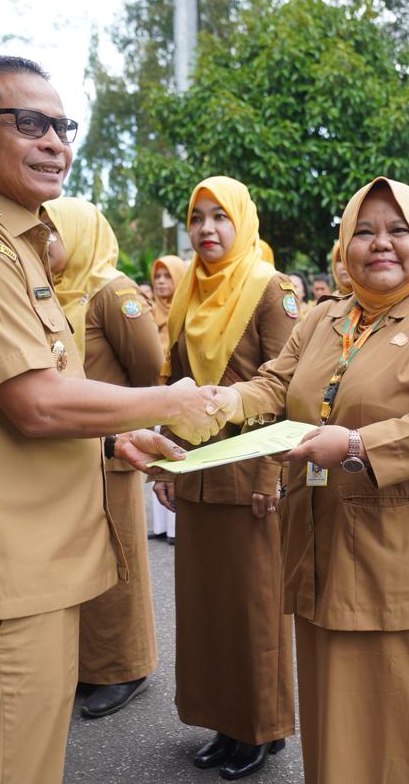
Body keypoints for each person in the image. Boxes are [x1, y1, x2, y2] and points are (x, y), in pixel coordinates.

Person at [0, 55, 225, 783]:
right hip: (1, 567)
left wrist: (114, 431)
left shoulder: (14, 240)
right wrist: (172, 399)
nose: (55, 143)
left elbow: (4, 393)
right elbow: (35, 400)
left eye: (63, 127)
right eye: (30, 123)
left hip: (28, 561)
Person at [216, 176, 409, 783]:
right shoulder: (325, 317)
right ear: (345, 244)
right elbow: (276, 385)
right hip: (332, 554)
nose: (379, 244)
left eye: (397, 231)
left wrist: (357, 444)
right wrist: (210, 406)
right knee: (347, 728)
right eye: (363, 231)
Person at [151, 176, 297, 780]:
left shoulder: (271, 288)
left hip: (249, 473)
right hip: (198, 476)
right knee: (208, 610)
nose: (207, 229)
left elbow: (287, 389)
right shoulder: (188, 291)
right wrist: (169, 461)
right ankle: (224, 722)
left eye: (220, 217)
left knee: (254, 608)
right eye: (197, 217)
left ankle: (260, 728)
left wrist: (271, 475)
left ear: (243, 222)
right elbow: (176, 386)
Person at [41, 197, 164, 719]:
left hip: (114, 449)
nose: (42, 242)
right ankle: (88, 664)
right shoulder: (47, 292)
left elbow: (148, 367)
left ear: (79, 232)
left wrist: (122, 420)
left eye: (49, 232)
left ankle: (124, 667)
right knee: (77, 563)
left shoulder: (112, 292)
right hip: (68, 448)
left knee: (119, 561)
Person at [148, 254, 187, 544]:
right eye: (157, 277)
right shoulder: (149, 313)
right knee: (156, 459)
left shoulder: (185, 312)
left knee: (175, 453)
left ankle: (176, 528)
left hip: (179, 394)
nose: (161, 283)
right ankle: (161, 527)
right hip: (154, 393)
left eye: (167, 277)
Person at [150, 255, 188, 353]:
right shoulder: (148, 311)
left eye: (168, 276)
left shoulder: (190, 312)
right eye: (157, 276)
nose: (160, 281)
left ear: (179, 277)